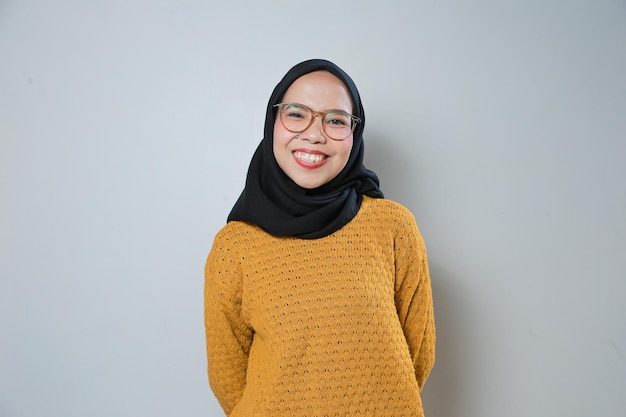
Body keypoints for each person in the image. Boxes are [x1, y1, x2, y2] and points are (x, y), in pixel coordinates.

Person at [204, 58, 435, 417]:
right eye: (296, 114)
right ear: (272, 123)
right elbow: (228, 376)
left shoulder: (393, 227)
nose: (314, 134)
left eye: (336, 120)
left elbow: (417, 355)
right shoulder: (236, 246)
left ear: (354, 136)